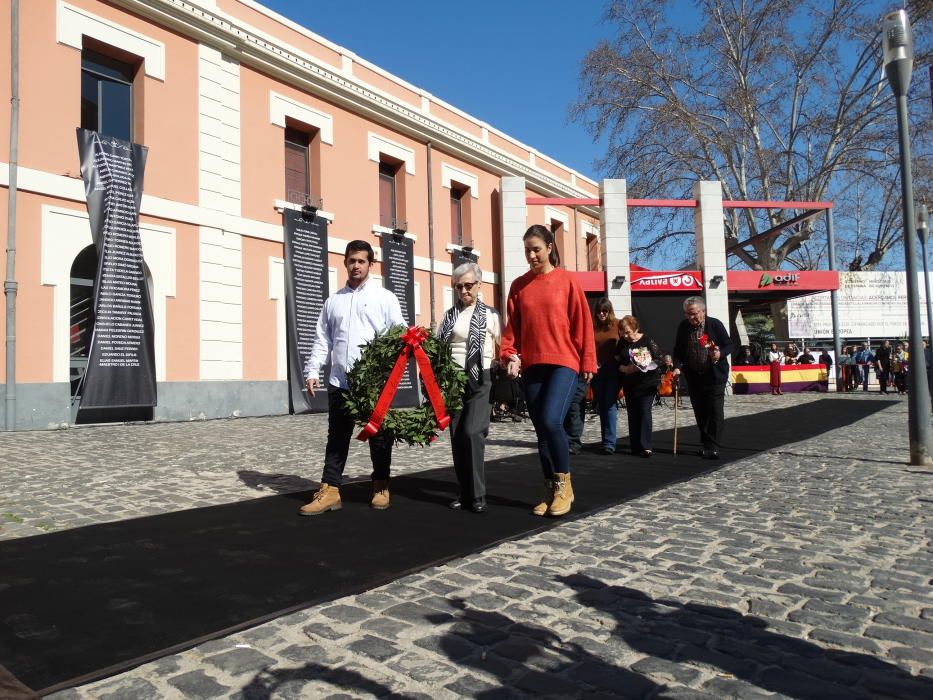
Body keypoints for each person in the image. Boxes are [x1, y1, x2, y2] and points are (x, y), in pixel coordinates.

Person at [300, 240, 405, 516]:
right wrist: (312, 371)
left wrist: (389, 373)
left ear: (371, 264)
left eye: (361, 261)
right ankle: (331, 490)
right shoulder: (333, 301)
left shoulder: (385, 298)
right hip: (340, 382)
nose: (356, 265)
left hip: (374, 384)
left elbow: (400, 337)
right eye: (351, 260)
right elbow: (323, 339)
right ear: (345, 263)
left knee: (380, 436)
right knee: (337, 437)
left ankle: (381, 484)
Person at [501, 224, 596, 517]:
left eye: (536, 249)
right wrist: (509, 354)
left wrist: (588, 361)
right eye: (527, 249)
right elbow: (512, 331)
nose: (531, 255)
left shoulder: (567, 281)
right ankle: (550, 488)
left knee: (552, 420)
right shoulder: (518, 286)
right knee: (542, 429)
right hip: (532, 364)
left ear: (550, 248)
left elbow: (583, 322)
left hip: (564, 362)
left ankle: (565, 486)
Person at [437, 262, 501, 513]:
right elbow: (438, 346)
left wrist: (512, 360)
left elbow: (505, 345)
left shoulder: (491, 315)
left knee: (473, 433)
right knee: (457, 436)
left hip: (480, 376)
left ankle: (478, 494)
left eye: (468, 285)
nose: (464, 290)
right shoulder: (449, 316)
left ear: (479, 285)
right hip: (453, 379)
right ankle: (464, 492)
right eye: (459, 286)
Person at [672, 297, 733, 459]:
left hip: (714, 375)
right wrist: (677, 368)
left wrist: (720, 354)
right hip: (694, 375)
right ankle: (706, 442)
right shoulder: (683, 327)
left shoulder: (715, 325)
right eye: (687, 314)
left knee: (714, 411)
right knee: (700, 411)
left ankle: (713, 446)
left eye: (693, 314)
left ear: (703, 311)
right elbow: (678, 350)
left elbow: (729, 345)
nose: (690, 317)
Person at [616, 315, 662, 457]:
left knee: (644, 411)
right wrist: (624, 369)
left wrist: (645, 365)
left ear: (636, 328)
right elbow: (617, 360)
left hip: (647, 383)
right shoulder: (622, 343)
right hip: (630, 383)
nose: (625, 335)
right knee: (633, 413)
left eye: (628, 332)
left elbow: (659, 359)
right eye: (622, 332)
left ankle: (646, 446)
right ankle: (635, 446)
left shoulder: (647, 341)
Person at [591, 298, 622, 454]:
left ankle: (609, 442)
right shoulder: (592, 326)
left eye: (605, 311)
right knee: (601, 404)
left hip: (613, 369)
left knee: (609, 404)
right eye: (599, 311)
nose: (602, 314)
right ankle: (605, 440)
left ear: (609, 311)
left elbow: (626, 342)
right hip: (596, 369)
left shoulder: (617, 324)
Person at [563, 374, 588, 455]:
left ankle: (573, 442)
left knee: (575, 406)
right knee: (564, 406)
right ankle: (565, 441)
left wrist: (588, 368)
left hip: (579, 372)